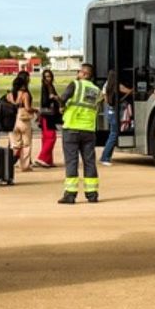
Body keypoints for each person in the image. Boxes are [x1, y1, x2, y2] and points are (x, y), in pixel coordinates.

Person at [58, 62, 103, 204]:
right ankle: (92, 193)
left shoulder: (75, 85)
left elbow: (62, 99)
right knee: (89, 162)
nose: (77, 74)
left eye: (79, 71)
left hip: (72, 128)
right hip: (89, 130)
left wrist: (61, 107)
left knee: (72, 161)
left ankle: (70, 194)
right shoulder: (97, 90)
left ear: (84, 74)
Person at [99, 69, 133, 166]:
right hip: (115, 112)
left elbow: (105, 99)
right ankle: (105, 157)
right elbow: (129, 91)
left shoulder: (106, 85)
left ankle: (106, 157)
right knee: (114, 135)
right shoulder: (118, 85)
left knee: (113, 134)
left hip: (109, 111)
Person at [6, 75, 36, 172]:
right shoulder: (24, 94)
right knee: (26, 144)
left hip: (12, 120)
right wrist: (35, 110)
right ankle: (25, 166)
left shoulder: (9, 95)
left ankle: (9, 163)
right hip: (23, 120)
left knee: (15, 145)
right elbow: (27, 108)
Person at [36, 69, 61, 168]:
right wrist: (54, 98)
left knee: (46, 138)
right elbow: (45, 102)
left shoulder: (50, 87)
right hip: (47, 116)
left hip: (49, 115)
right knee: (51, 137)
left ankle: (48, 160)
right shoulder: (45, 87)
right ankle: (42, 158)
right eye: (46, 76)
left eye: (49, 76)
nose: (48, 78)